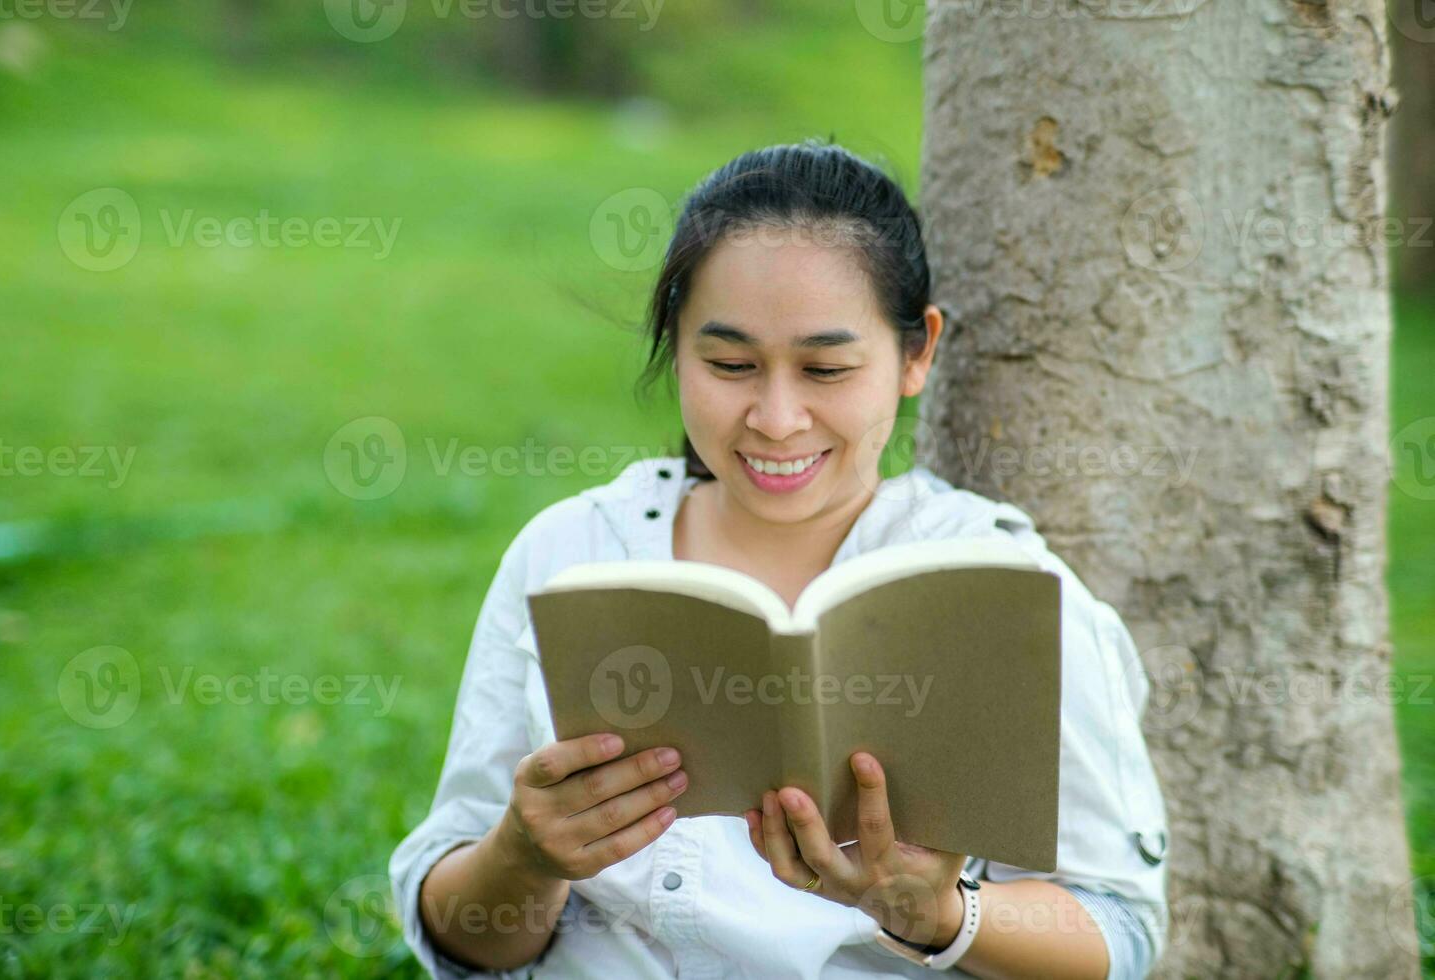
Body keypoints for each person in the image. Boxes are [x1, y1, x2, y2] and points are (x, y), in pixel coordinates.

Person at [389, 140, 1170, 978]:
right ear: (675, 346)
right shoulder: (572, 552)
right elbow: (466, 930)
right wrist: (526, 855)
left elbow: (1118, 933)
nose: (776, 417)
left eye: (826, 368)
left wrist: (939, 914)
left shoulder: (1000, 590)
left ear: (917, 354)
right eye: (729, 364)